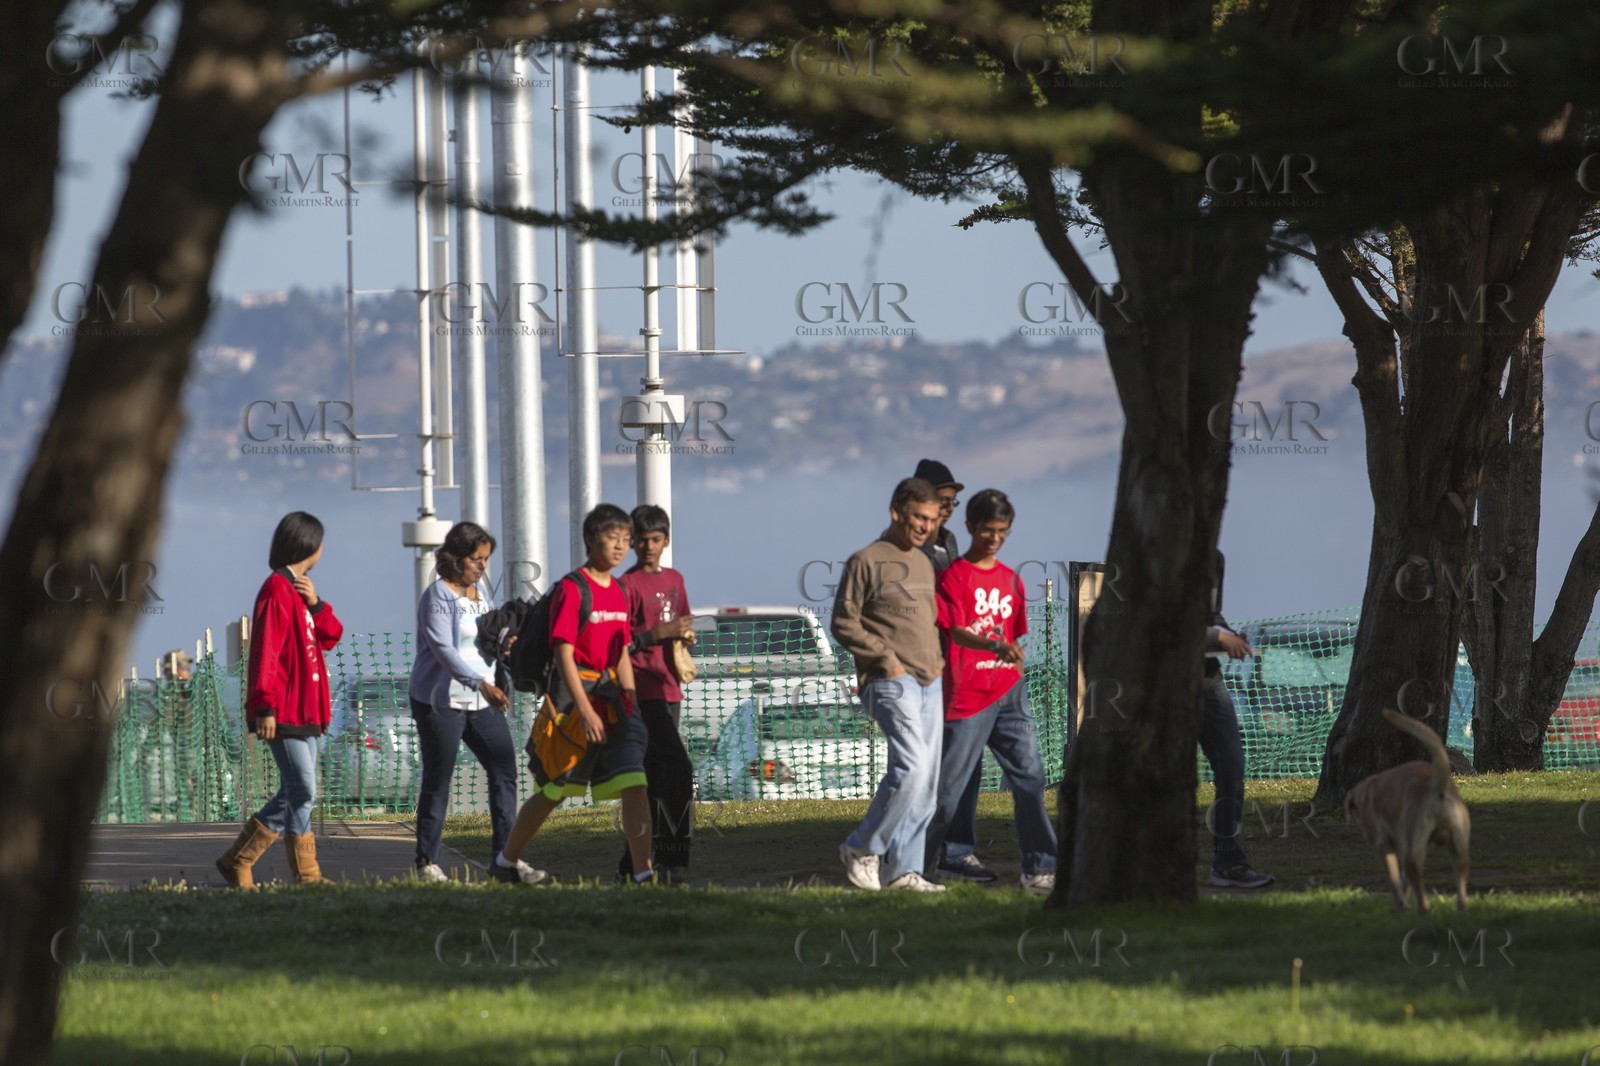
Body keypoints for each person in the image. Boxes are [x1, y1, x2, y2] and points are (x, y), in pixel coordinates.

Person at [489, 504, 656, 884]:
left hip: (615, 702)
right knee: (554, 789)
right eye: (613, 538)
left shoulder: (619, 590)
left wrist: (631, 701)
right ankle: (505, 861)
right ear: (590, 540)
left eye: (625, 540)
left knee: (635, 782)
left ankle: (643, 873)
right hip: (572, 705)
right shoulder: (572, 588)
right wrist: (586, 708)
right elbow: (563, 652)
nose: (620, 547)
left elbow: (621, 652)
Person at [924, 490, 1058, 893]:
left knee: (1030, 780)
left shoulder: (1010, 580)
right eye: (987, 531)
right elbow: (956, 630)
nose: (994, 539)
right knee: (949, 791)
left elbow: (1016, 635)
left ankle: (1040, 867)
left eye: (1002, 532)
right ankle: (913, 864)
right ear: (969, 527)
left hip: (1009, 696)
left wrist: (1012, 667)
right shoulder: (954, 577)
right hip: (966, 697)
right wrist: (991, 647)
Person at [408, 522, 545, 885]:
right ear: (455, 558)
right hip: (440, 701)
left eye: (485, 559)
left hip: (481, 702)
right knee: (439, 779)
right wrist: (481, 684)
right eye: (475, 558)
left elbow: (482, 638)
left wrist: (504, 648)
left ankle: (505, 860)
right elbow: (444, 651)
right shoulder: (438, 597)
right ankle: (426, 864)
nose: (482, 566)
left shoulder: (479, 593)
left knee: (504, 770)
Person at [216, 511, 343, 888]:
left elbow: (331, 636)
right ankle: (239, 859)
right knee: (301, 789)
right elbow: (265, 651)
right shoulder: (275, 589)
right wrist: (265, 706)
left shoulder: (300, 590)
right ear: (309, 545)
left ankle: (306, 875)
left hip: (309, 712)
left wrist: (317, 603)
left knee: (298, 794)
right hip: (283, 711)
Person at [833, 477, 947, 892]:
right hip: (888, 681)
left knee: (927, 785)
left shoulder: (924, 561)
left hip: (931, 681)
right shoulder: (864, 559)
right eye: (918, 516)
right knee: (912, 766)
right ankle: (863, 848)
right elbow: (843, 622)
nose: (924, 526)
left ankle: (903, 872)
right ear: (896, 511)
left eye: (931, 519)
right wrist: (887, 661)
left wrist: (937, 667)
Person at [910, 458, 993, 882]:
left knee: (967, 757)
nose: (949, 509)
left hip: (958, 669)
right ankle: (915, 851)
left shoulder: (951, 542)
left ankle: (956, 849)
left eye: (953, 501)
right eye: (944, 500)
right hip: (925, 671)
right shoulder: (908, 546)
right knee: (925, 765)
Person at [616, 504, 697, 884]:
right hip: (640, 691)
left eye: (655, 539)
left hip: (670, 688)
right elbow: (619, 644)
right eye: (642, 540)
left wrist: (684, 638)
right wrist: (655, 636)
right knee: (677, 771)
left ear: (666, 541)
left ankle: (635, 861)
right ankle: (671, 858)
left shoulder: (676, 579)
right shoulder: (626, 585)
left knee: (654, 778)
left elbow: (682, 621)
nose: (648, 547)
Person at [1204, 549, 1274, 889]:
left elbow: (1211, 614)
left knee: (1231, 767)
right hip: (1164, 685)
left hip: (1207, 681)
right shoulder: (1158, 551)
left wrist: (1229, 635)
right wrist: (1217, 637)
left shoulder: (1213, 558)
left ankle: (1228, 861)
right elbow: (1160, 622)